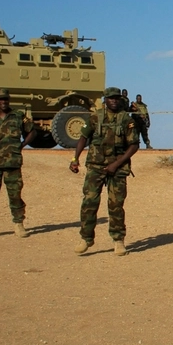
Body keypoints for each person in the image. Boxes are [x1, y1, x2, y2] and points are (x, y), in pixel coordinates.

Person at [69, 87, 140, 256]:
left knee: (116, 205)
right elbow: (83, 138)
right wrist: (75, 159)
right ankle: (86, 238)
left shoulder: (126, 120)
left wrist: (117, 164)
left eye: (116, 98)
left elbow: (134, 145)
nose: (114, 100)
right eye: (110, 98)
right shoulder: (94, 117)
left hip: (118, 168)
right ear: (105, 100)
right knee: (89, 202)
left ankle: (118, 240)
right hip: (96, 165)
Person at [0, 88, 38, 239]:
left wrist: (22, 144)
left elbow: (33, 131)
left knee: (15, 194)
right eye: (0, 99)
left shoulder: (18, 116)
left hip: (13, 162)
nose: (3, 102)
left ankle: (19, 224)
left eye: (5, 99)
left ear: (9, 100)